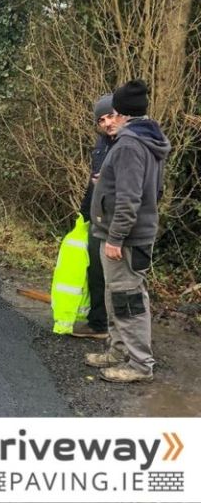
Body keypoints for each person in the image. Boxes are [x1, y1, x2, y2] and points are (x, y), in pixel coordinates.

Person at [85, 79, 171, 383]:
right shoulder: (144, 139)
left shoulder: (130, 145)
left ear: (120, 112)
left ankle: (139, 365)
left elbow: (130, 198)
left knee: (129, 299)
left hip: (126, 239)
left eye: (113, 112)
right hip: (124, 234)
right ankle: (118, 350)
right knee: (116, 294)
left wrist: (116, 237)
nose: (110, 119)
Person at [71, 94, 117, 339]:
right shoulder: (101, 144)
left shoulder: (129, 145)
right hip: (96, 216)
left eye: (110, 116)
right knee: (95, 270)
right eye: (101, 119)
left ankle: (116, 330)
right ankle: (98, 323)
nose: (106, 123)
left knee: (118, 277)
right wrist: (83, 215)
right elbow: (93, 182)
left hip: (117, 219)